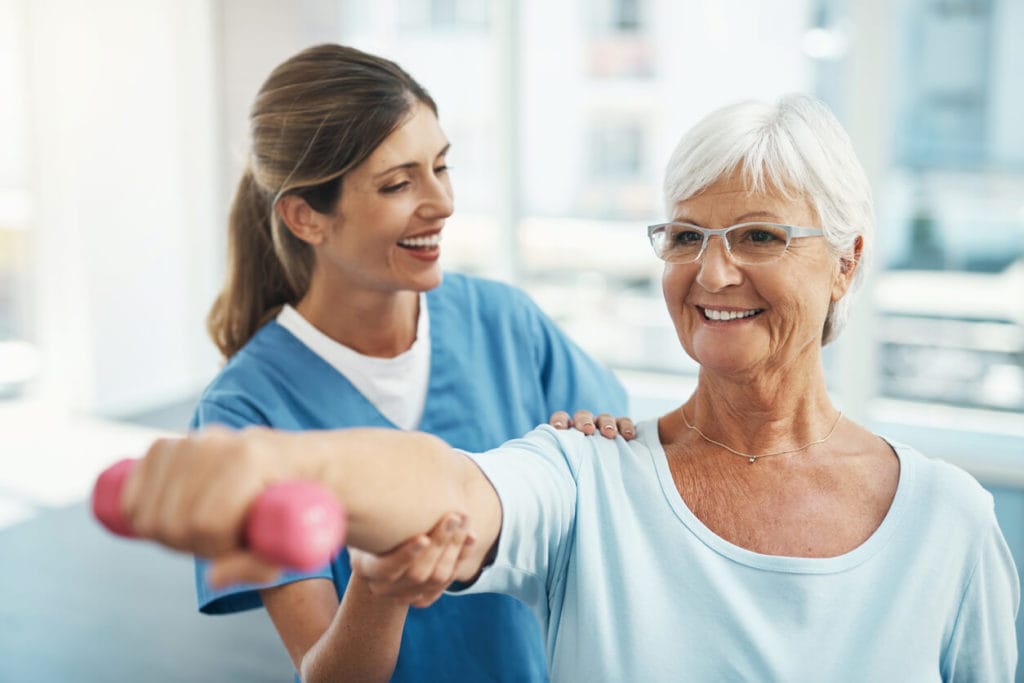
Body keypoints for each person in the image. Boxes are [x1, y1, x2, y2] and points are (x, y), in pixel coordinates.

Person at [121, 94, 1019, 681]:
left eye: (759, 236)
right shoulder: (589, 476)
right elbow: (444, 482)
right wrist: (273, 465)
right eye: (683, 236)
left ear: (848, 261)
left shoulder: (949, 520)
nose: (712, 273)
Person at [192, 43, 629, 682]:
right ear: (305, 216)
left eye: (442, 167)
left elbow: (621, 485)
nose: (442, 203)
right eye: (398, 184)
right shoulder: (242, 414)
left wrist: (608, 454)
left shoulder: (506, 324)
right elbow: (325, 673)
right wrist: (380, 588)